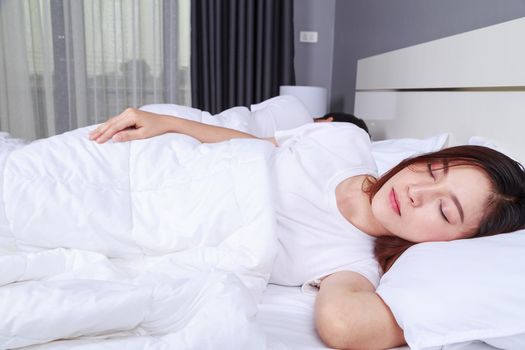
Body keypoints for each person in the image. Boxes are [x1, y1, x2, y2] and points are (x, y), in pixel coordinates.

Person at [89, 107, 525, 349]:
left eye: (445, 212)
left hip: (146, 223)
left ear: (454, 245)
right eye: (433, 170)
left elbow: (345, 326)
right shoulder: (345, 140)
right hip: (144, 166)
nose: (416, 192)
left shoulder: (353, 266)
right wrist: (168, 123)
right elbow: (255, 146)